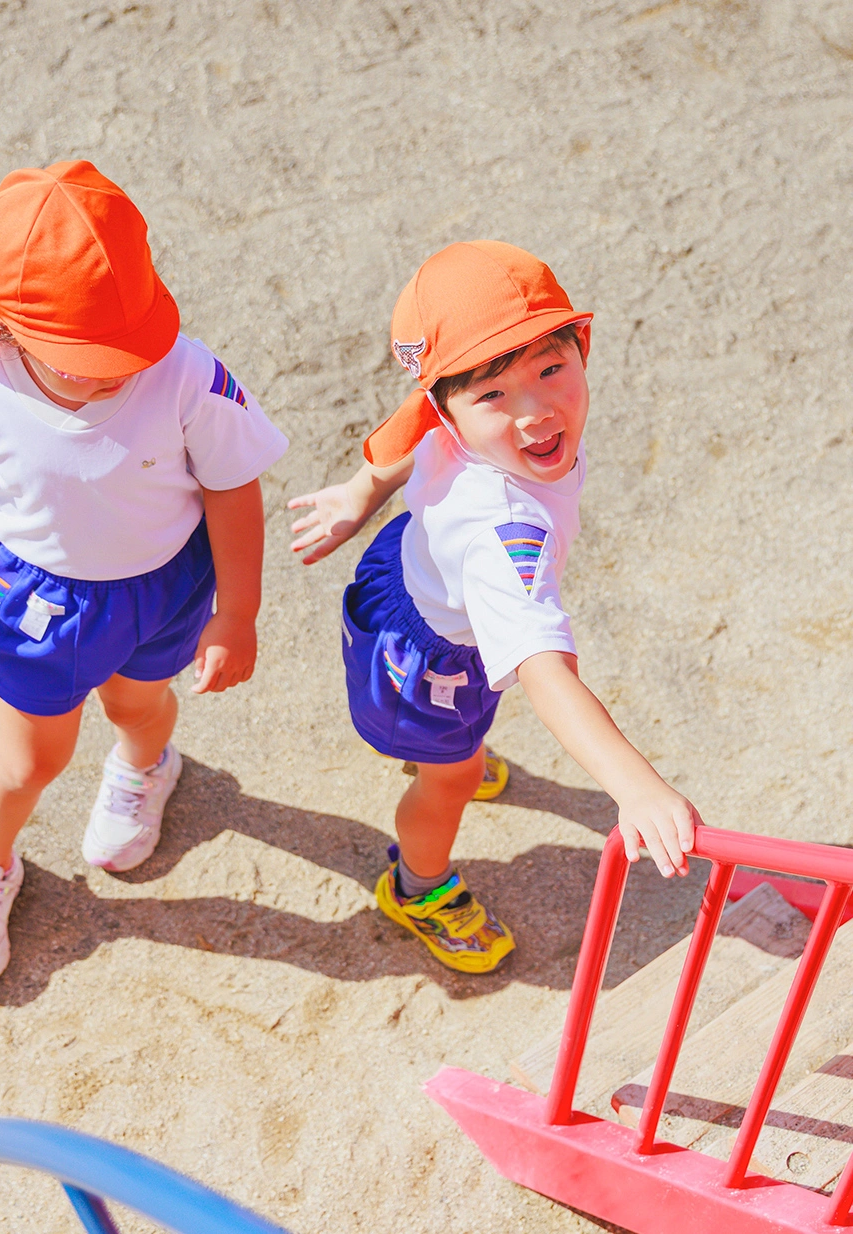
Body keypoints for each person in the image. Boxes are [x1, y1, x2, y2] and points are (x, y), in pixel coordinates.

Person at [0, 161, 287, 986]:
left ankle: (146, 767)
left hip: (164, 583)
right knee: (28, 757)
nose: (119, 367)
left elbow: (233, 488)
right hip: (38, 594)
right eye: (88, 356)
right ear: (3, 322)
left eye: (131, 342)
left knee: (138, 703)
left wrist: (238, 611)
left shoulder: (185, 373)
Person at [288, 241, 700, 974]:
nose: (537, 413)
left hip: (416, 572)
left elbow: (413, 426)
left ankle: (449, 753)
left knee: (454, 750)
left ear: (583, 347)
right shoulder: (508, 533)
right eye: (494, 396)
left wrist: (361, 492)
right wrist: (635, 786)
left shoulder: (462, 416)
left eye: (550, 369)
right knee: (446, 780)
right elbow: (543, 671)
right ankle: (417, 886)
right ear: (451, 408)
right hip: (432, 653)